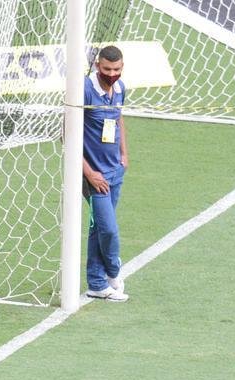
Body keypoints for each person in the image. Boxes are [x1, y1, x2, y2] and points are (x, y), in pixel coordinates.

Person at [83, 45, 130, 302]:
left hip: (115, 172)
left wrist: (124, 154)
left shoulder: (120, 88)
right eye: (107, 69)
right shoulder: (84, 90)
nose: (112, 74)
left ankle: (97, 284)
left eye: (116, 69)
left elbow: (119, 118)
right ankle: (113, 271)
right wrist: (89, 173)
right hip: (94, 177)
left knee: (98, 228)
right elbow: (66, 135)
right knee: (108, 229)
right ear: (97, 66)